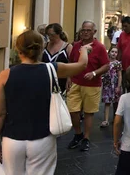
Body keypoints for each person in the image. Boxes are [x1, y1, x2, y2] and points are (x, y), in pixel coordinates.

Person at [0, 31, 91, 174]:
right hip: (43, 137)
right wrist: (84, 50)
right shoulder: (52, 69)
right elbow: (82, 65)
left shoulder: (5, 75)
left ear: (18, 49)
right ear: (42, 48)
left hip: (12, 138)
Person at [66, 21, 110, 152]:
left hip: (92, 84)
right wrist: (69, 77)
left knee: (88, 112)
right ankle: (78, 134)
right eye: (83, 30)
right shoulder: (76, 45)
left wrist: (94, 73)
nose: (85, 32)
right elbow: (71, 62)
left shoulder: (99, 47)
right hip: (76, 82)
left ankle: (86, 138)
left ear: (94, 32)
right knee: (73, 110)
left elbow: (106, 65)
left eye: (88, 30)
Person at [42, 23, 72, 91]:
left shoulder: (68, 47)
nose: (49, 37)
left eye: (52, 35)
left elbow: (72, 64)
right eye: (48, 35)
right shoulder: (45, 46)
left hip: (61, 80)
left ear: (58, 34)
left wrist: (69, 78)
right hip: (46, 79)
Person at [100, 46, 122, 128]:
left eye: (116, 52)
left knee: (116, 102)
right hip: (107, 85)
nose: (114, 53)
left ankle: (116, 118)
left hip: (115, 85)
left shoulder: (118, 63)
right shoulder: (105, 63)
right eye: (112, 51)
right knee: (107, 102)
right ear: (109, 52)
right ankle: (106, 120)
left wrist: (119, 86)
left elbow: (119, 75)